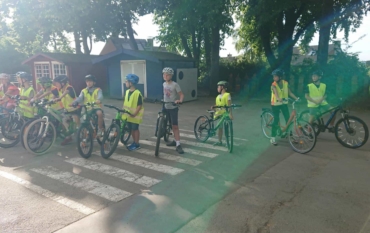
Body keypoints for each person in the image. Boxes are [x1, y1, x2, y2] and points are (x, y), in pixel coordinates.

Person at [270, 69, 299, 145]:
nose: (274, 78)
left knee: (288, 119)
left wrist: (296, 98)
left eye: (275, 76)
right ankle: (272, 138)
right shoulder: (273, 85)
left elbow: (290, 93)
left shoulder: (285, 83)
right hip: (275, 104)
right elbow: (276, 93)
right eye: (274, 76)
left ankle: (290, 136)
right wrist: (279, 98)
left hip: (283, 104)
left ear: (280, 77)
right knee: (276, 120)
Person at [162, 67, 184, 154]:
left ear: (171, 76)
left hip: (173, 107)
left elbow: (181, 95)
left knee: (174, 126)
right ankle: (160, 131)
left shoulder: (175, 85)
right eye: (164, 74)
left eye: (167, 75)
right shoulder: (163, 84)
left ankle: (178, 144)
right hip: (165, 106)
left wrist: (180, 101)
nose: (165, 76)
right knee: (160, 118)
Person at [53, 75, 79, 145]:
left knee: (76, 123)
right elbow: (52, 93)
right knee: (63, 121)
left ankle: (81, 135)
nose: (56, 85)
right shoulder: (59, 89)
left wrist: (59, 98)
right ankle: (68, 137)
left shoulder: (69, 88)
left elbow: (66, 92)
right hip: (67, 109)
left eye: (57, 83)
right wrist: (52, 99)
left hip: (74, 108)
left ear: (63, 83)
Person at [122, 74, 144, 151]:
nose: (125, 83)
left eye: (126, 81)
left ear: (131, 83)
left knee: (135, 129)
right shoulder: (127, 91)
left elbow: (139, 105)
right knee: (131, 129)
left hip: (135, 115)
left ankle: (137, 143)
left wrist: (135, 113)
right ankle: (134, 142)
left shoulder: (137, 93)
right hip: (128, 115)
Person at [212, 81, 233, 146]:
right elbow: (218, 105)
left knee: (227, 127)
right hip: (219, 114)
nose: (217, 88)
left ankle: (227, 142)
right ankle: (219, 141)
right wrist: (214, 106)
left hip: (225, 114)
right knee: (220, 128)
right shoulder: (218, 96)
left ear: (222, 87)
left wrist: (230, 113)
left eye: (218, 87)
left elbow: (229, 105)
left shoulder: (227, 95)